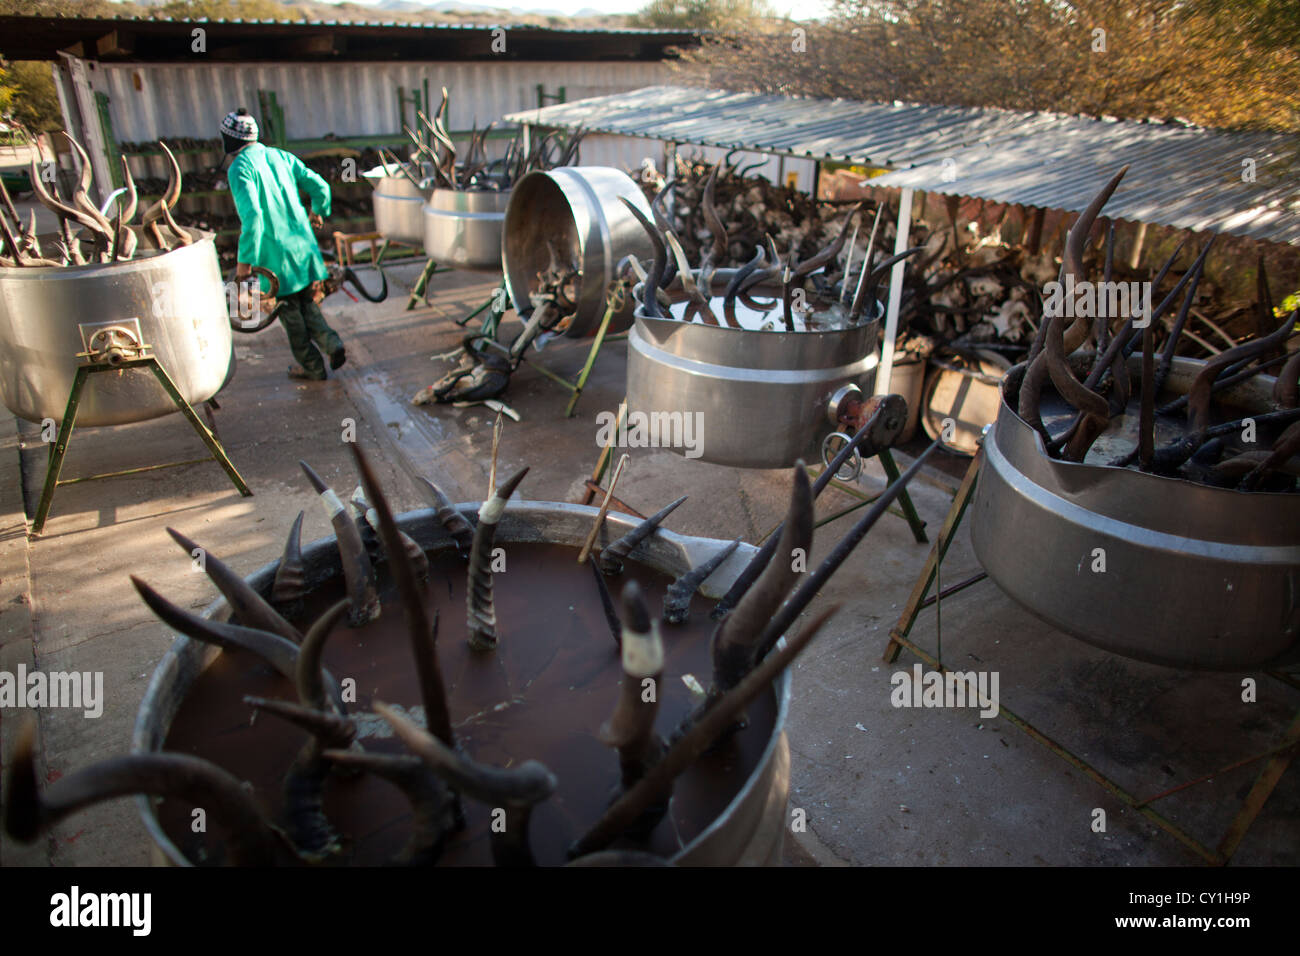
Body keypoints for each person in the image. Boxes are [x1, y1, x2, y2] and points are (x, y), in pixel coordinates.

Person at [222, 108, 346, 381]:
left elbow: (253, 218)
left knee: (290, 312)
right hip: (303, 246)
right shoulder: (280, 156)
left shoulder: (239, 168)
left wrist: (244, 266)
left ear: (229, 141)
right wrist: (318, 212)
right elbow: (321, 187)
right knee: (306, 302)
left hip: (275, 255)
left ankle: (312, 366)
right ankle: (332, 343)